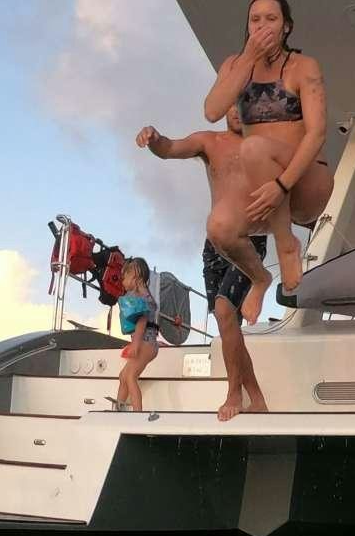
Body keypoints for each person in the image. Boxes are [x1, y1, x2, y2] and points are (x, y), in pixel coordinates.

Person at [200, 0, 331, 323]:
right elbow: (212, 110)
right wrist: (246, 58)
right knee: (219, 227)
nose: (262, 26)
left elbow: (317, 133)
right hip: (263, 187)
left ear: (286, 26)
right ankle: (260, 277)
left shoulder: (304, 66)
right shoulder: (235, 65)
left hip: (304, 181)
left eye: (271, 19)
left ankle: (288, 246)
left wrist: (283, 185)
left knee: (253, 147)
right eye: (255, 19)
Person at [135, 114, 269, 421]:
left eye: (243, 104)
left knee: (224, 312)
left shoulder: (261, 146)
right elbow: (171, 148)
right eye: (232, 104)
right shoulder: (210, 142)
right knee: (228, 324)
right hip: (215, 245)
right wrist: (155, 139)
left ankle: (234, 392)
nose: (237, 110)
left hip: (250, 239)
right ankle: (257, 397)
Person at [113, 257, 158, 411]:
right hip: (146, 343)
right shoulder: (145, 295)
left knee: (130, 376)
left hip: (145, 343)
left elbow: (142, 321)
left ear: (135, 277)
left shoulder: (141, 296)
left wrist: (135, 344)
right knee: (123, 376)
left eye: (124, 278)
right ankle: (118, 409)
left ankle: (137, 413)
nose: (123, 282)